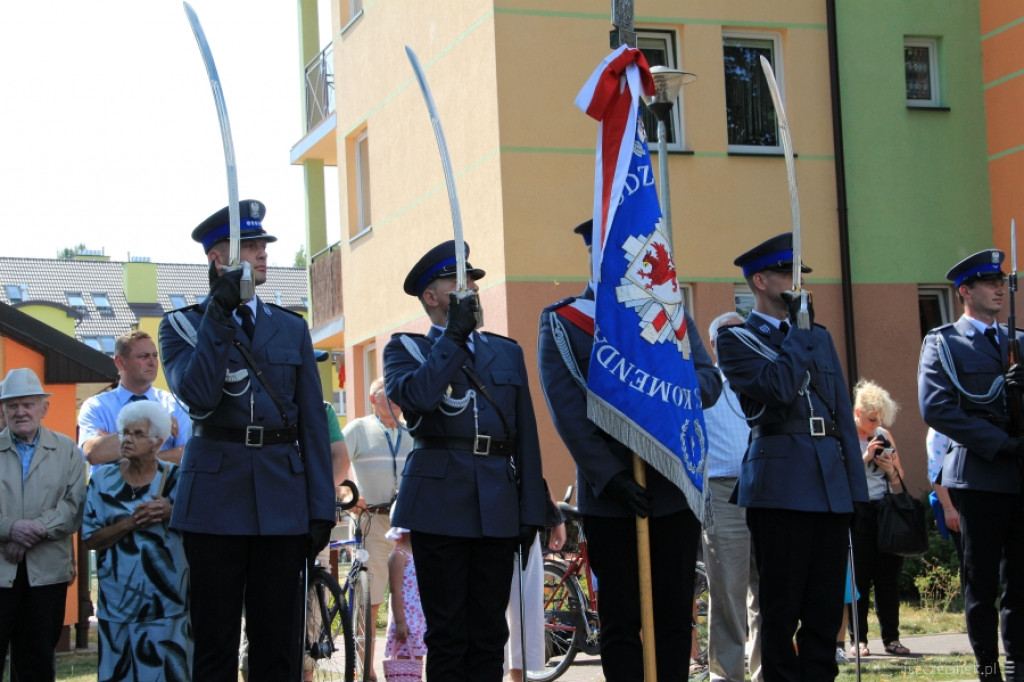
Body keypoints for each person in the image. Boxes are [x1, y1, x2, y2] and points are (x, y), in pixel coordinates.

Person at [537, 220, 722, 682]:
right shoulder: (565, 322)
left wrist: (659, 384)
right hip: (612, 496)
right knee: (620, 622)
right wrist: (612, 477)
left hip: (672, 489)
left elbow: (709, 382)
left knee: (675, 616)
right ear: (593, 255)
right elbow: (568, 413)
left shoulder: (667, 309)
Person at [158, 200, 335, 681]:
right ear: (219, 259)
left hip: (281, 496)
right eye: (250, 247)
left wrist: (322, 505)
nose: (262, 254)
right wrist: (219, 313)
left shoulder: (290, 326)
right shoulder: (181, 326)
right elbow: (197, 396)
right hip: (215, 499)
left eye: (262, 245)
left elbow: (313, 428)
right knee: (214, 644)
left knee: (277, 645)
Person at [383, 239, 546, 681]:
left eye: (472, 280)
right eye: (456, 281)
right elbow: (418, 397)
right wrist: (453, 336)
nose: (470, 288)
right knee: (450, 635)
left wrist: (534, 507)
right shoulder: (406, 350)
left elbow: (525, 435)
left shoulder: (505, 351)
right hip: (439, 504)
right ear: (432, 297)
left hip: (496, 502)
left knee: (490, 633)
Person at [715, 232, 868, 682]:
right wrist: (798, 334)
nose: (798, 282)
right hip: (780, 487)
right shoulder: (737, 339)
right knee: (780, 610)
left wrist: (856, 491)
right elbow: (777, 390)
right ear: (760, 281)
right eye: (787, 273)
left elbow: (841, 411)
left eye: (800, 273)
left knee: (824, 610)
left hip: (829, 485)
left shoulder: (817, 336)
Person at [918, 248, 1024, 682]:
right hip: (978, 475)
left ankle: (1018, 661)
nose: (999, 288)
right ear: (965, 291)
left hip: (1018, 478)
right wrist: (1000, 443)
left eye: (1001, 282)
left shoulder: (1018, 340)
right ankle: (987, 666)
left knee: (1019, 582)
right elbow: (937, 407)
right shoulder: (943, 342)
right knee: (980, 585)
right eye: (988, 283)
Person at [82, 400, 192, 681]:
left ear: (157, 442)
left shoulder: (177, 479)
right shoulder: (103, 481)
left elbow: (201, 530)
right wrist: (130, 523)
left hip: (167, 604)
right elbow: (89, 539)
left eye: (137, 434)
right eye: (124, 433)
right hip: (117, 604)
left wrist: (171, 512)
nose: (127, 439)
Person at [0, 367, 87, 681]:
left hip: (47, 575)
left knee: (36, 662)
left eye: (28, 403)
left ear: (44, 408)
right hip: (0, 574)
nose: (20, 411)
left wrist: (31, 530)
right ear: (3, 410)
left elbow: (74, 506)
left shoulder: (67, 451)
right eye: (12, 405)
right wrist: (9, 528)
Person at [702, 311, 762, 682]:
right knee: (728, 593)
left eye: (743, 333)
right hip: (722, 491)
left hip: (767, 491)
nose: (737, 340)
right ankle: (726, 676)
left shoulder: (764, 382)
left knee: (769, 592)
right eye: (727, 335)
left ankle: (765, 671)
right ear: (713, 344)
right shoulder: (705, 385)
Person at [342, 376, 413, 679]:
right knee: (369, 602)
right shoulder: (358, 429)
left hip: (406, 527)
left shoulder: (412, 432)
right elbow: (336, 470)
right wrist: (349, 497)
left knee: (410, 599)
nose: (397, 399)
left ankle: (408, 668)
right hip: (370, 522)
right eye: (390, 394)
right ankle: (366, 671)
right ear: (373, 399)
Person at [848, 379, 909, 658]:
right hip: (857, 511)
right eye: (871, 419)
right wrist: (865, 457)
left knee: (888, 578)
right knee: (858, 579)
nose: (876, 425)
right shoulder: (846, 434)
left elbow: (900, 478)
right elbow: (840, 475)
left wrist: (889, 467)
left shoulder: (884, 434)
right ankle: (858, 640)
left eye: (879, 419)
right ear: (858, 413)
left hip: (884, 511)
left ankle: (892, 638)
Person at [79, 331, 192, 468]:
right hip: (109, 489)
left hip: (161, 489)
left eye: (155, 356)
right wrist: (155, 425)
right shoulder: (97, 406)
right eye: (143, 356)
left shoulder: (175, 404)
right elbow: (94, 453)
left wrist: (118, 447)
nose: (152, 362)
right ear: (120, 362)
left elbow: (187, 455)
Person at [506, 484, 567, 682]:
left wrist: (556, 516)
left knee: (524, 615)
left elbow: (532, 466)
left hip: (520, 520)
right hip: (480, 515)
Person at [384, 526, 425, 680]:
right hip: (406, 619)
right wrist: (400, 622)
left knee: (416, 663)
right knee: (404, 660)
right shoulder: (399, 555)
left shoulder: (417, 554)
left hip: (418, 620)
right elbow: (395, 590)